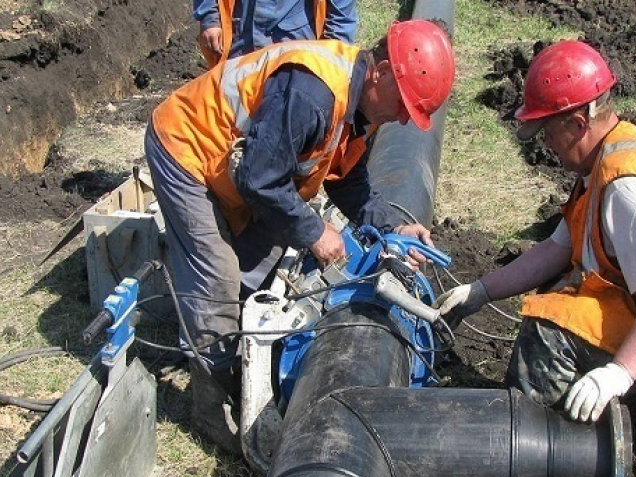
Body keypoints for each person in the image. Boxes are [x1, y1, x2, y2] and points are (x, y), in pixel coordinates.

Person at [145, 19, 455, 454]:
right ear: (381, 70)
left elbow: (347, 181)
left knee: (263, 259)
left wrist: (392, 228)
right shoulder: (313, 93)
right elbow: (258, 178)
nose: (404, 117)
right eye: (404, 103)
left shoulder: (360, 106)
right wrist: (314, 231)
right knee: (217, 276)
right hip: (187, 148)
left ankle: (228, 347)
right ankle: (210, 409)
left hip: (236, 168)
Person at [436, 40, 636, 427]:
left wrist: (618, 373)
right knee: (563, 287)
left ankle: (522, 438)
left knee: (550, 325)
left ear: (578, 124)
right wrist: (479, 292)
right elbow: (554, 249)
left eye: (547, 131)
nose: (545, 144)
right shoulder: (606, 157)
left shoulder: (625, 186)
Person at [193, 0, 357, 65]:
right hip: (241, 39)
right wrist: (209, 17)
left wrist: (330, 63)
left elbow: (340, 20)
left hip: (296, 51)